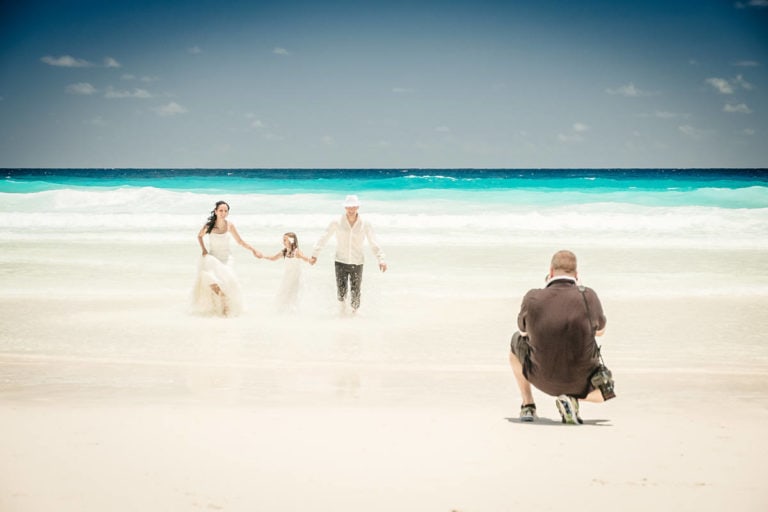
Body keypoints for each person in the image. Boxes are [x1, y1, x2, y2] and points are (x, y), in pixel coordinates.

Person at [508, 250, 608, 424]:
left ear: (551, 271)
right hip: (581, 381)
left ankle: (528, 405)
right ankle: (573, 399)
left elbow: (523, 332)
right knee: (604, 393)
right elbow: (600, 331)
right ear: (576, 275)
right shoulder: (588, 296)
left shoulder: (533, 297)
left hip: (542, 378)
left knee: (515, 342)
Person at [309, 194, 387, 314]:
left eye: (353, 207)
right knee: (341, 291)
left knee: (356, 290)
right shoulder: (337, 222)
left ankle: (354, 314)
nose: (351, 210)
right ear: (345, 208)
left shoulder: (365, 223)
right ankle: (342, 312)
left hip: (357, 261)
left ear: (357, 207)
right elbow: (324, 237)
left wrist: (381, 259)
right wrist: (315, 254)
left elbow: (373, 242)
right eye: (348, 207)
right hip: (340, 260)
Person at [191, 200, 262, 317]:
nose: (223, 213)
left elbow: (240, 241)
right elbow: (199, 236)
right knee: (211, 280)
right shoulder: (209, 226)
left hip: (226, 259)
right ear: (215, 211)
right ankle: (221, 303)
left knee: (228, 281)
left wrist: (253, 250)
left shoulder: (230, 225)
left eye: (225, 211)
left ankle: (226, 309)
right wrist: (203, 249)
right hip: (213, 257)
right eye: (220, 210)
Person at [264, 232, 311, 313]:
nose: (283, 242)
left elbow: (305, 258)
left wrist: (310, 260)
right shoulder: (284, 251)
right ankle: (282, 315)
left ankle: (293, 315)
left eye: (285, 240)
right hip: (287, 278)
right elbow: (273, 258)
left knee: (292, 298)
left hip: (296, 278)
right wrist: (262, 256)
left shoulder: (296, 252)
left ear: (291, 241)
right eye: (283, 240)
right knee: (282, 296)